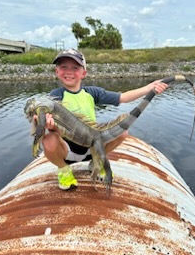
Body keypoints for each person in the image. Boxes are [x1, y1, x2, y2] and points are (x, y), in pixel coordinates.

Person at [41, 48, 168, 190]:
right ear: (56, 71)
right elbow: (44, 120)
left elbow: (123, 97)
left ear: (84, 73)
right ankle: (63, 170)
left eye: (75, 67)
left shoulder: (92, 92)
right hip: (67, 151)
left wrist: (150, 88)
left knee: (122, 131)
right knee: (48, 139)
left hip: (94, 146)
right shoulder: (54, 97)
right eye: (64, 67)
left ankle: (96, 161)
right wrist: (50, 126)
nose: (69, 71)